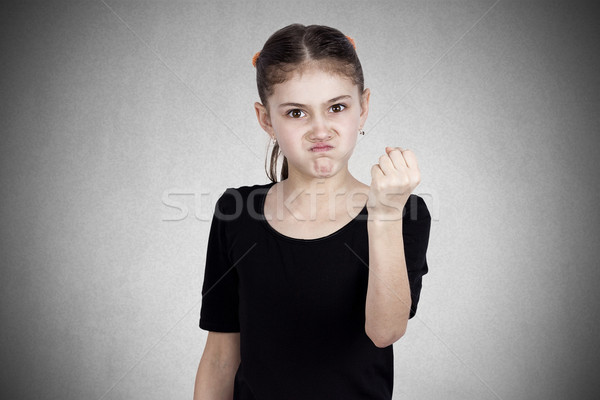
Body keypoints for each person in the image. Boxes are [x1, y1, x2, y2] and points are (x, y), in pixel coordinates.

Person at [193, 23, 431, 400]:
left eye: (337, 107)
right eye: (296, 113)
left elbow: (384, 331)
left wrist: (384, 213)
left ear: (363, 107)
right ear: (266, 119)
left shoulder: (405, 212)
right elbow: (221, 355)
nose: (321, 130)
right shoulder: (235, 213)